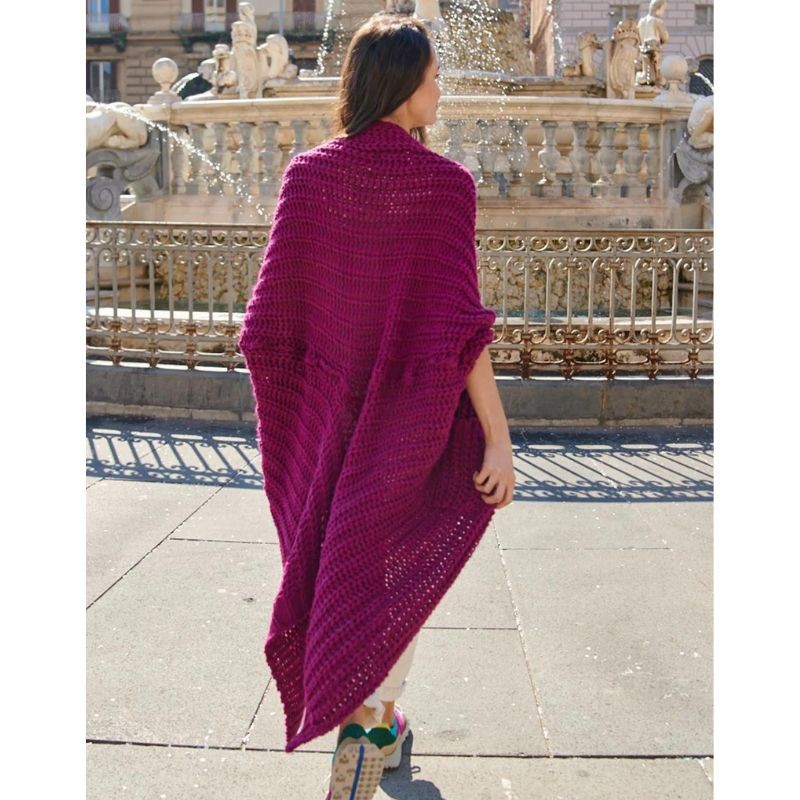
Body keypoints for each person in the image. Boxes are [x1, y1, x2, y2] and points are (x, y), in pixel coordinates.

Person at [238, 12, 514, 800]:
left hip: (327, 422)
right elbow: (462, 334)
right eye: (432, 76)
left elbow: (266, 330)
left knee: (347, 563)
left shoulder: (308, 178)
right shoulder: (445, 187)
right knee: (390, 565)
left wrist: (309, 405)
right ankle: (372, 721)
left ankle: (373, 724)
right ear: (401, 83)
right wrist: (497, 441)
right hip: (409, 428)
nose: (440, 89)